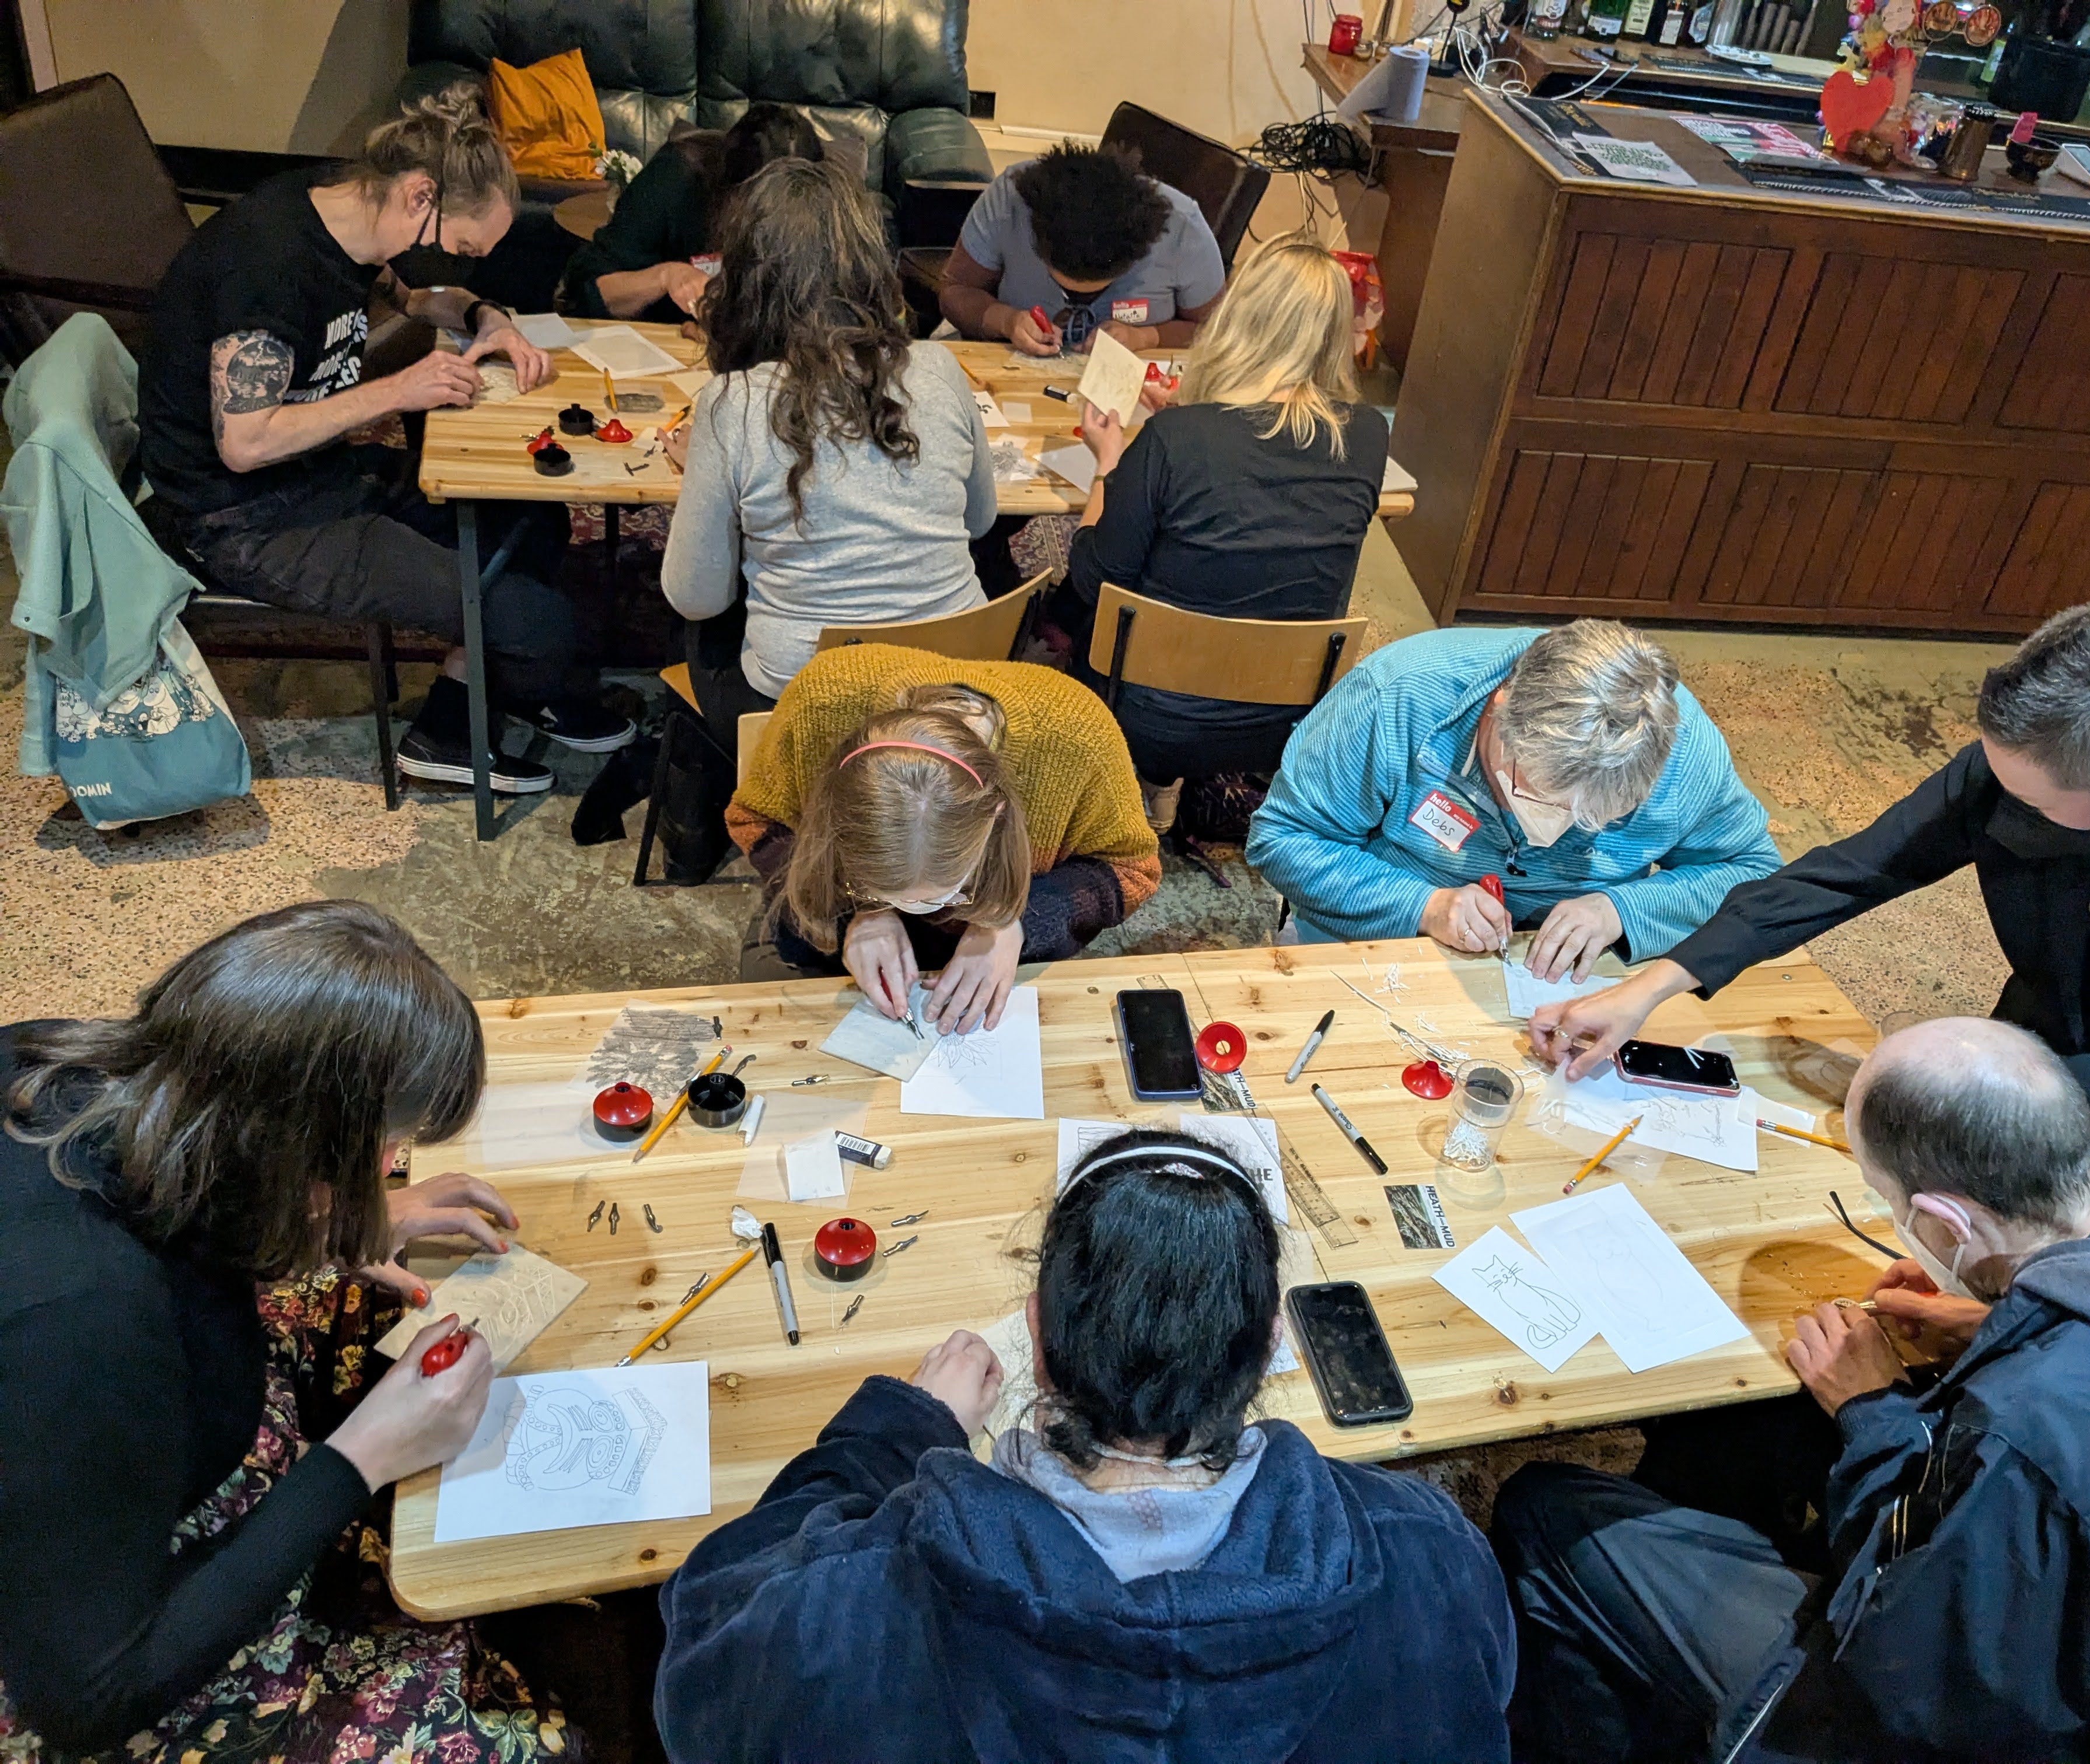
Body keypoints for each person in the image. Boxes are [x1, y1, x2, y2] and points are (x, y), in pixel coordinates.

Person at [1491, 1016, 2090, 1763]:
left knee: (1548, 1510)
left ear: (1943, 1222)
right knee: (1751, 1439)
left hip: (1993, 1728)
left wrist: (1874, 1416)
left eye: (1889, 1203)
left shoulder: (2032, 1437)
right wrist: (2006, 1321)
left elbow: (1908, 1670)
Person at [654, 1126, 1515, 1763]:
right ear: (1268, 1350)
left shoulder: (846, 1603)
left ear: (1037, 1340)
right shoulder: (1429, 1552)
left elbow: (698, 1660)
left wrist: (894, 1435)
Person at [0, 902, 564, 1762]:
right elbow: (85, 1698)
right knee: (507, 1742)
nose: (392, 1167)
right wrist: (359, 1458)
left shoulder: (63, 1061)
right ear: (292, 1150)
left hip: (95, 1443)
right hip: (78, 1652)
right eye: (384, 1150)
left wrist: (343, 1218)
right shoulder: (88, 1329)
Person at [1535, 598, 2090, 1191]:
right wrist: (1661, 979)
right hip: (2053, 1019)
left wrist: (2013, 1074)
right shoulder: (2051, 758)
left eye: (2029, 803)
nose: (1997, 803)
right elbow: (1859, 867)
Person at [138, 92, 632, 796]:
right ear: (419, 196)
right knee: (540, 621)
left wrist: (489, 318)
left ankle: (460, 721)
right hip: (241, 517)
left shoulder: (349, 219)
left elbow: (418, 300)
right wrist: (398, 390)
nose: (461, 262)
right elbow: (245, 444)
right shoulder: (268, 265)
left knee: (535, 520)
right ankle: (483, 710)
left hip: (315, 472)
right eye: (464, 249)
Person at [660, 153, 996, 757]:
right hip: (952, 691)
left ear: (746, 279)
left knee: (699, 627)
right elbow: (980, 523)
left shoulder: (731, 404)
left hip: (806, 707)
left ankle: (703, 811)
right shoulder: (941, 368)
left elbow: (696, 596)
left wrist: (712, 485)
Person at [1063, 235, 1387, 827]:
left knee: (1059, 557)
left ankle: (1139, 783)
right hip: (1281, 719)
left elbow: (1092, 580)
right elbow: (1265, 487)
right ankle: (1171, 791)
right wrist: (1192, 418)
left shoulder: (1177, 441)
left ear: (1240, 316)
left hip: (1149, 717)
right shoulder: (1367, 436)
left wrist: (1109, 463)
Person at [1247, 622, 1781, 977]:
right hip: (1374, 944)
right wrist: (1423, 906)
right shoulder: (1397, 695)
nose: (1552, 833)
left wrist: (1621, 909)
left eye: (1595, 818)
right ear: (1500, 712)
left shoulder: (1685, 753)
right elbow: (1284, 837)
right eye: (1540, 798)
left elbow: (1754, 872)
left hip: (1577, 974)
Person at [728, 644, 1161, 1028]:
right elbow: (756, 819)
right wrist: (861, 911)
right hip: (829, 917)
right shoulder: (821, 701)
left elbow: (1131, 869)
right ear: (833, 820)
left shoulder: (1077, 737)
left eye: (947, 896)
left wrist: (1016, 923)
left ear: (996, 817)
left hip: (1003, 946)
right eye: (882, 888)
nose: (918, 912)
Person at [937, 141, 1225, 356]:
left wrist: (1148, 337)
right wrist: (1006, 321)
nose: (1074, 299)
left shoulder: (1183, 228)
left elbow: (1217, 330)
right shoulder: (1009, 202)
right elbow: (956, 290)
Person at [559, 103, 820, 324]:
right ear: (732, 186)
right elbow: (588, 291)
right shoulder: (676, 179)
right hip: (661, 347)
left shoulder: (822, 208)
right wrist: (666, 276)